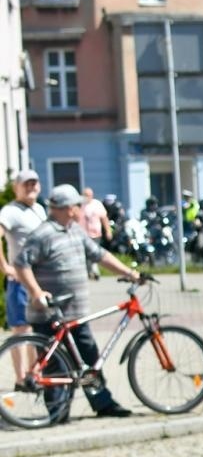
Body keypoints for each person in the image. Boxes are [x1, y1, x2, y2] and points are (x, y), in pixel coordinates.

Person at [11, 185, 143, 418]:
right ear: (67, 208)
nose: (80, 209)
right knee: (57, 367)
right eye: (76, 205)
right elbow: (21, 264)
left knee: (90, 361)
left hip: (76, 314)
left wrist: (129, 273)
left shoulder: (75, 230)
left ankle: (103, 404)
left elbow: (100, 255)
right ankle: (57, 413)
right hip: (49, 315)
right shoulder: (44, 234)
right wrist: (36, 292)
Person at [2, 170, 47, 364]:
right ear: (16, 188)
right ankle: (21, 379)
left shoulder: (39, 209)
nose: (30, 187)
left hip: (39, 279)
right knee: (22, 330)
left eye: (34, 183)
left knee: (36, 331)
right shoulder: (10, 211)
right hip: (20, 281)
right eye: (26, 184)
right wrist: (5, 267)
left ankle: (34, 374)